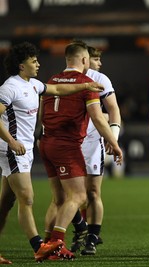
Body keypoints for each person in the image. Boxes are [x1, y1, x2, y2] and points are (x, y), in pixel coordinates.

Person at [0, 42, 104, 263]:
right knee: (26, 198)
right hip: (12, 149)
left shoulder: (33, 85)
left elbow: (58, 89)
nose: (38, 64)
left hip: (25, 149)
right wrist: (11, 141)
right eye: (33, 61)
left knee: (6, 202)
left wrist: (85, 86)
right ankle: (41, 247)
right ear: (21, 65)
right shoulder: (10, 87)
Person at [39, 40, 123, 260]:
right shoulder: (86, 83)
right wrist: (114, 143)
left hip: (46, 142)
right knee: (78, 195)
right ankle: (57, 242)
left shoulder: (52, 79)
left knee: (59, 199)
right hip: (68, 145)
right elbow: (98, 117)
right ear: (85, 60)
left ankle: (45, 245)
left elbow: (41, 115)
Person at [69, 46, 122, 256]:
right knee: (68, 195)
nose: (99, 63)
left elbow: (113, 109)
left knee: (92, 192)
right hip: (69, 142)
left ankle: (91, 237)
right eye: (96, 59)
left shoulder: (100, 79)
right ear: (84, 59)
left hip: (92, 142)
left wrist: (113, 138)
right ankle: (81, 228)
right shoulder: (65, 79)